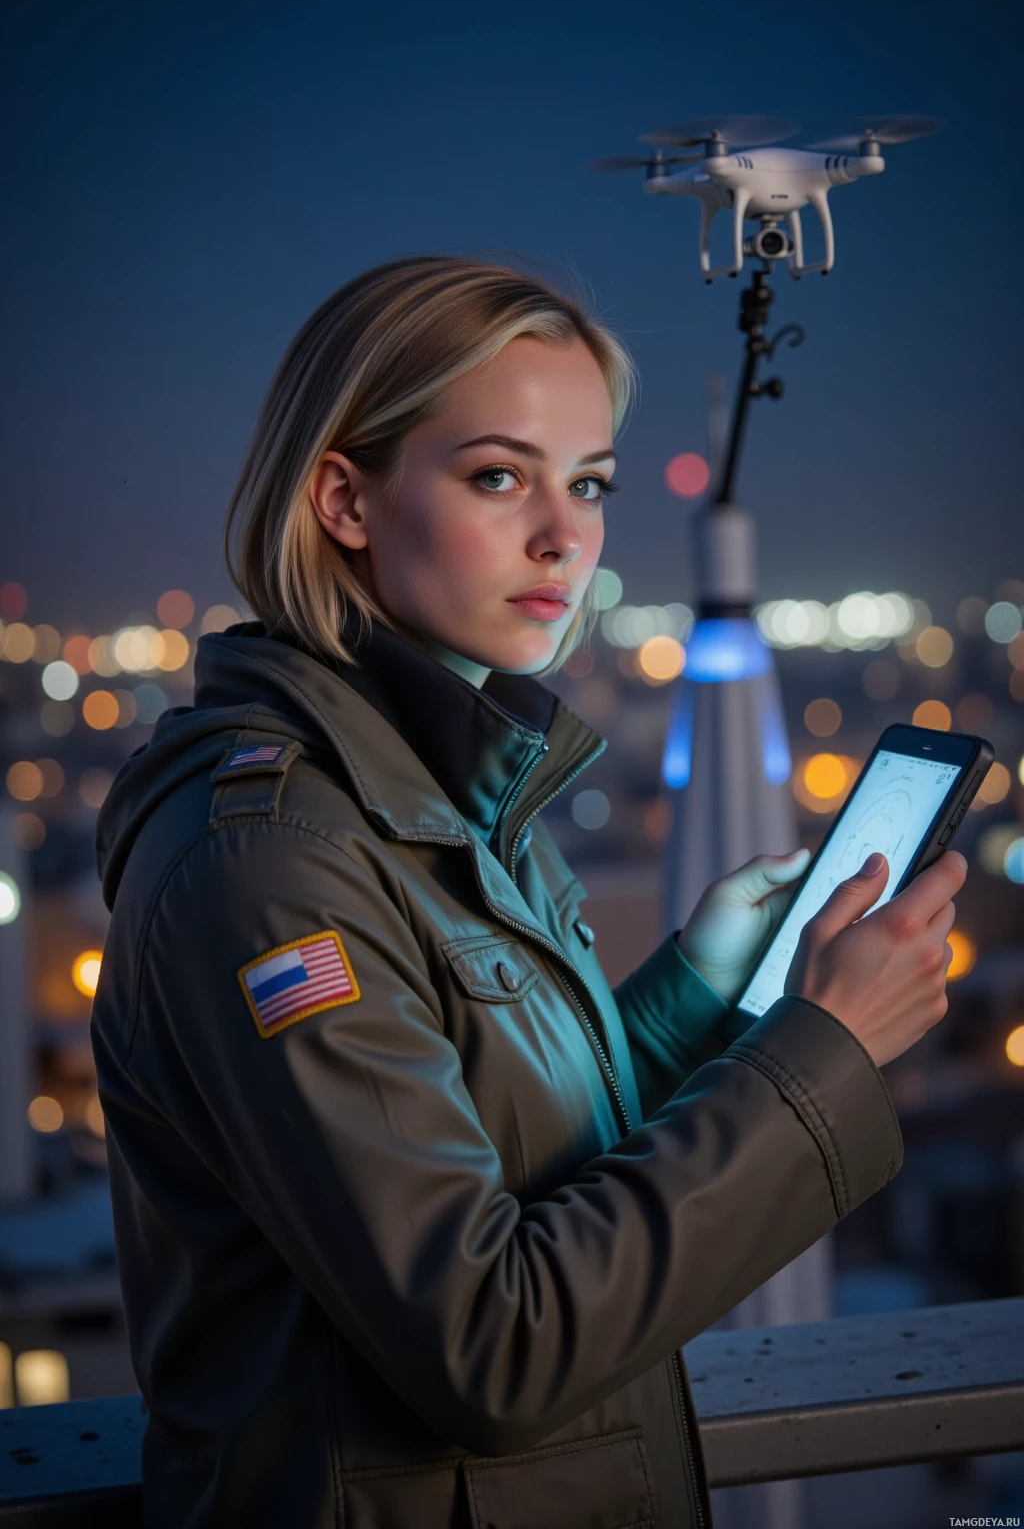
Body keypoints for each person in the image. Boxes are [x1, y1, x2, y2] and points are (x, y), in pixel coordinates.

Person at [90, 253, 966, 1529]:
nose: (566, 534)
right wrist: (820, 1053)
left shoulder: (443, 796)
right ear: (343, 497)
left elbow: (515, 1156)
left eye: (590, 484)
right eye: (498, 476)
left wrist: (690, 993)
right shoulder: (272, 866)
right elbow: (494, 1344)